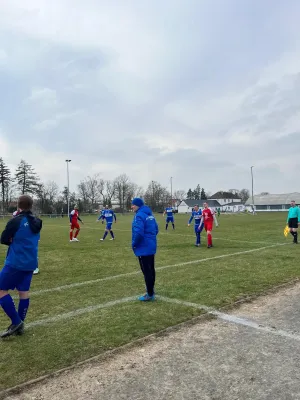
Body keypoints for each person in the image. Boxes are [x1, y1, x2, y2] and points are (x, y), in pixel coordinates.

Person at [0, 195, 42, 338]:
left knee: (1, 290)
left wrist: (13, 239)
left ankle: (17, 322)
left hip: (16, 262)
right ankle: (20, 325)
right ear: (31, 206)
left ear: (19, 206)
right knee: (23, 292)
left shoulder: (15, 221)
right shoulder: (37, 221)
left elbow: (4, 238)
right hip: (31, 263)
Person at [131, 198, 159, 301]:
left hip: (143, 247)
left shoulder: (139, 215)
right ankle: (151, 289)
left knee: (146, 270)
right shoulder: (150, 215)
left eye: (133, 205)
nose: (132, 206)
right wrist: (150, 239)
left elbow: (138, 232)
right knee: (151, 269)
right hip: (151, 246)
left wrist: (134, 244)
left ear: (138, 205)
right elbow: (156, 229)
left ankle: (150, 294)